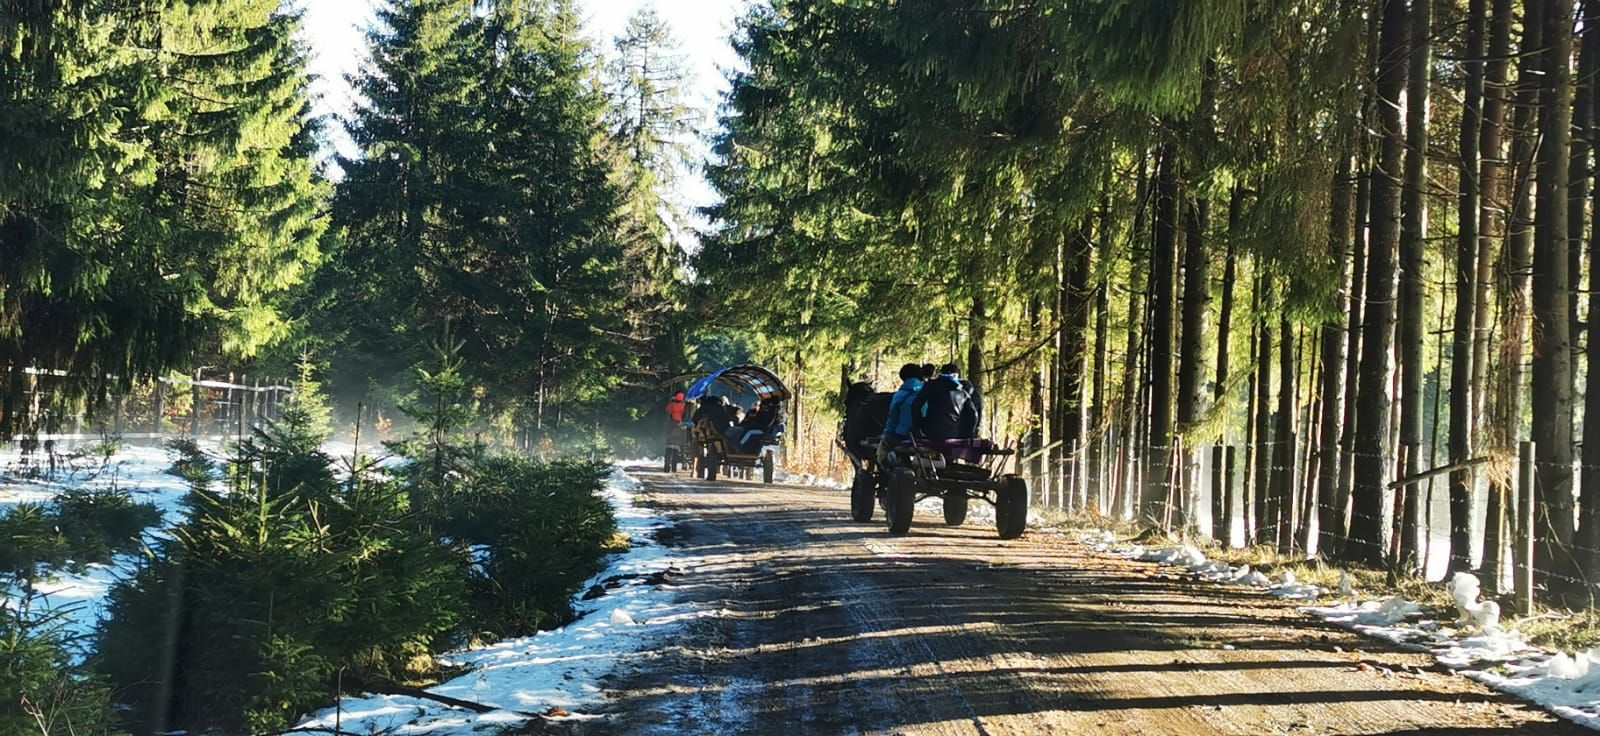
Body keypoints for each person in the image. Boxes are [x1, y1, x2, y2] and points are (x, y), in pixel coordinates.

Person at [912, 362, 977, 442]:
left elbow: (915, 406)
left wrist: (919, 425)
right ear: (956, 375)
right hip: (953, 433)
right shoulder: (962, 391)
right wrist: (969, 434)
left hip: (931, 432)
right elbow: (973, 414)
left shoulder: (931, 385)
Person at [876, 363, 925, 465]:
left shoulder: (900, 395)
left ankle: (899, 465)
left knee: (888, 445)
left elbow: (892, 419)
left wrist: (886, 435)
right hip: (925, 434)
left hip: (904, 434)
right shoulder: (928, 392)